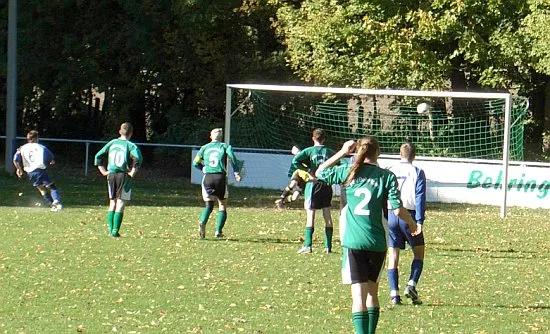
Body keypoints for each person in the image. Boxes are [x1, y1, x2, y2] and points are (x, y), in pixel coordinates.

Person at [315, 137, 418, 334]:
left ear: (358, 151)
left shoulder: (350, 171)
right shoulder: (386, 176)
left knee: (358, 297)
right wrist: (412, 224)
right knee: (372, 294)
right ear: (378, 152)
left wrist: (343, 153)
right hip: (377, 242)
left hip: (354, 242)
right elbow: (397, 209)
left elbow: (320, 172)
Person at [387, 142, 426, 305]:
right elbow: (420, 197)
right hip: (408, 215)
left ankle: (394, 294)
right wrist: (419, 221)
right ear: (414, 155)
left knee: (393, 255)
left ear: (400, 154)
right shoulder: (417, 172)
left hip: (391, 214)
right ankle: (411, 284)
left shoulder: (390, 170)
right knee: (419, 252)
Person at [290, 128, 337, 254]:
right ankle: (328, 247)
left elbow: (295, 161)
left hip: (314, 184)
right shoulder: (330, 152)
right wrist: (332, 173)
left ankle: (307, 245)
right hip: (326, 184)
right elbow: (341, 162)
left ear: (313, 138)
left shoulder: (309, 151)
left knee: (311, 214)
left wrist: (307, 171)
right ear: (324, 138)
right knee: (327, 214)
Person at [193, 128, 243, 239]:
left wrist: (202, 168)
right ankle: (218, 231)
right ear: (221, 137)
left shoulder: (204, 148)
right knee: (222, 205)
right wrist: (236, 171)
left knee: (209, 205)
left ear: (210, 136)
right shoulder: (225, 146)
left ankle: (202, 221)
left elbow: (195, 163)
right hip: (220, 178)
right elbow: (233, 159)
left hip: (208, 178)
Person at [94, 122, 143, 237]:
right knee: (121, 203)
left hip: (111, 175)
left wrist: (103, 170)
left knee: (112, 202)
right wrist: (133, 172)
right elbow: (138, 158)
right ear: (131, 133)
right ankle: (115, 230)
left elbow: (98, 156)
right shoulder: (130, 145)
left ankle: (111, 230)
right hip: (123, 175)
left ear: (119, 131)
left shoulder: (112, 143)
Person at [13, 130, 63, 211]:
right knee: (52, 187)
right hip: (40, 170)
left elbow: (15, 160)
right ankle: (56, 201)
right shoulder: (41, 147)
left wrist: (19, 169)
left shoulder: (22, 148)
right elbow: (51, 158)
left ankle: (52, 206)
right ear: (36, 138)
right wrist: (51, 161)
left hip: (30, 173)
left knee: (41, 189)